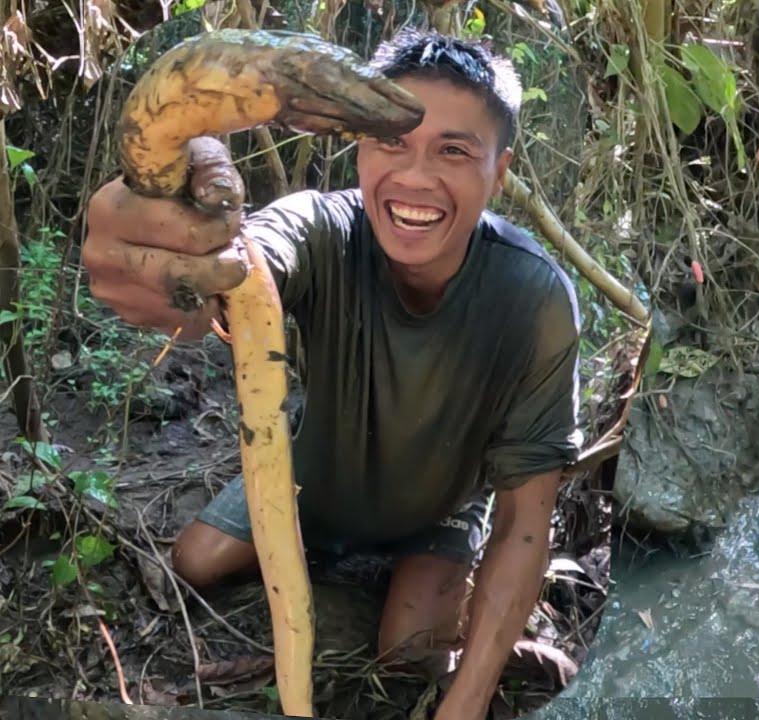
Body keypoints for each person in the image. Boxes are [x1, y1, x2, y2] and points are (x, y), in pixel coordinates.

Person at [81, 29, 582, 720]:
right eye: (392, 141)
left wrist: (463, 706)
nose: (414, 176)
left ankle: (454, 601)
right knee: (193, 562)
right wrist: (176, 261)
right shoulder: (318, 228)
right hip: (310, 479)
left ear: (499, 173)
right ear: (358, 146)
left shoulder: (536, 299)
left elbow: (528, 521)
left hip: (439, 508)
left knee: (410, 651)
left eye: (455, 150)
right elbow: (238, 273)